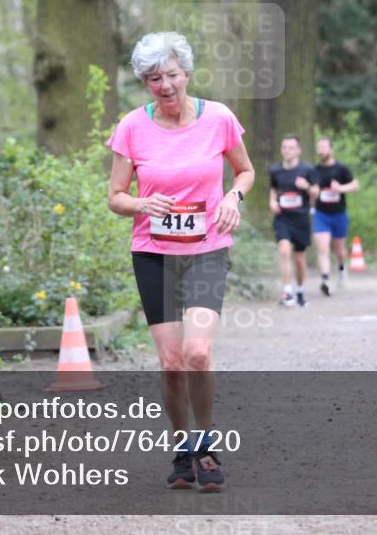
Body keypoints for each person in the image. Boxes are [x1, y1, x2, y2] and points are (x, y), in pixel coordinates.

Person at [107, 32, 255, 492]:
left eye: (171, 74)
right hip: (154, 255)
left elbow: (246, 171)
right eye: (153, 78)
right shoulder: (132, 126)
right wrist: (140, 206)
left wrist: (234, 196)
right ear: (144, 83)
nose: (164, 85)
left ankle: (207, 446)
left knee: (197, 352)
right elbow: (114, 197)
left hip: (208, 249)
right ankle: (182, 447)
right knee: (172, 361)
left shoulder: (220, 119)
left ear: (187, 73)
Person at [269, 135, 318, 307]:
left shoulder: (307, 170)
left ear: (298, 150)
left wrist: (307, 187)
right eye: (285, 147)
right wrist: (272, 202)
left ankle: (300, 290)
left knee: (299, 257)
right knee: (284, 251)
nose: (287, 150)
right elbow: (274, 190)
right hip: (283, 217)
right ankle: (287, 291)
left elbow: (316, 193)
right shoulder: (275, 171)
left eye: (291, 147)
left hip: (301, 218)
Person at [313, 137, 359, 296]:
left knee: (339, 250)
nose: (321, 150)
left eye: (324, 147)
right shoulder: (315, 171)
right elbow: (312, 190)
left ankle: (341, 268)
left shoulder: (341, 169)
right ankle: (325, 280)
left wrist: (341, 188)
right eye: (319, 147)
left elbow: (355, 185)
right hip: (321, 214)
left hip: (339, 214)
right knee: (323, 247)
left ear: (331, 149)